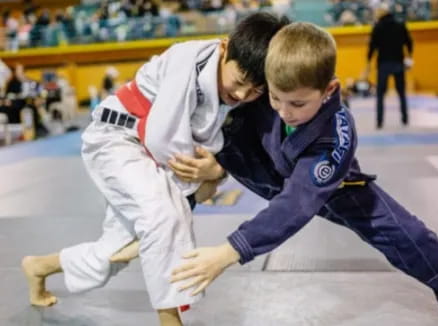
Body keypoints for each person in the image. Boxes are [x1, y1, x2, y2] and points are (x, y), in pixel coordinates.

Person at [161, 22, 438, 326]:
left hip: (333, 188)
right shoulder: (268, 89)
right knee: (196, 146)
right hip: (264, 168)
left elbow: (297, 204)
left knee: (414, 236)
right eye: (274, 98)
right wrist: (219, 168)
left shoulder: (336, 134)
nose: (284, 112)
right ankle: (156, 221)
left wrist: (227, 252)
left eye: (298, 103)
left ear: (328, 90)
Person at [20, 12, 288, 326]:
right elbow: (163, 138)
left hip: (150, 153)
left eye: (255, 90)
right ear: (224, 48)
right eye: (240, 82)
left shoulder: (234, 88)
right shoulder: (187, 60)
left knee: (117, 251)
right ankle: (169, 319)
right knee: (164, 216)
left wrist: (215, 172)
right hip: (117, 139)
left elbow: (224, 151)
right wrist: (203, 183)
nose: (242, 95)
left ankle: (39, 267)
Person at [366, 3, 413, 129]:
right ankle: (405, 118)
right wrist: (409, 56)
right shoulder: (400, 25)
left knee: (380, 94)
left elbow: (372, 46)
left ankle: (379, 121)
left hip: (383, 64)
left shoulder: (378, 27)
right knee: (401, 93)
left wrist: (369, 60)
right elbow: (409, 42)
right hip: (398, 62)